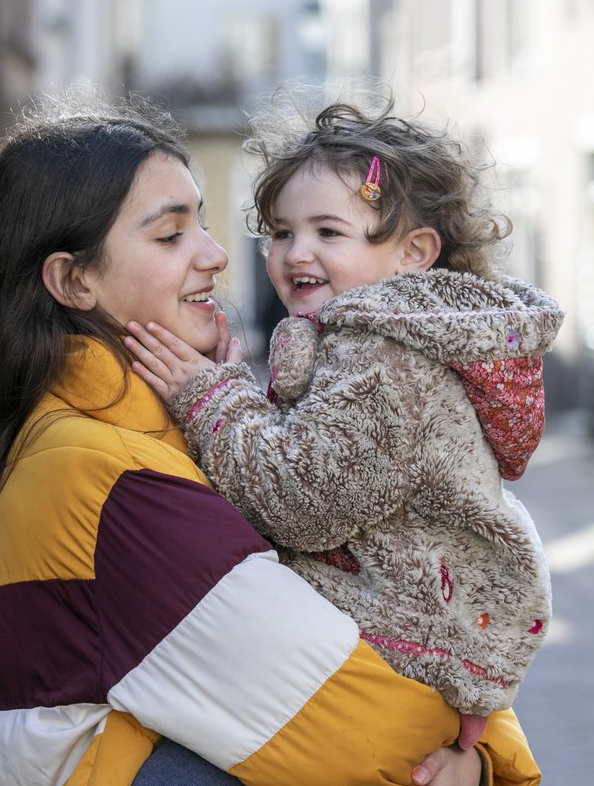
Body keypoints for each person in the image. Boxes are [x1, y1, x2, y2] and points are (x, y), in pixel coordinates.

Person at [0, 94, 541, 786]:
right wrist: (486, 756)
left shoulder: (135, 430)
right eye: (171, 237)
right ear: (73, 280)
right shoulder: (105, 475)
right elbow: (349, 724)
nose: (219, 255)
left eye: (201, 223)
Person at [125, 98, 564, 752]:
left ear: (414, 253)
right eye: (280, 232)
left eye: (329, 233)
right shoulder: (366, 343)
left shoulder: (382, 364)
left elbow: (302, 503)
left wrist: (212, 398)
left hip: (406, 642)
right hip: (434, 636)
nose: (296, 252)